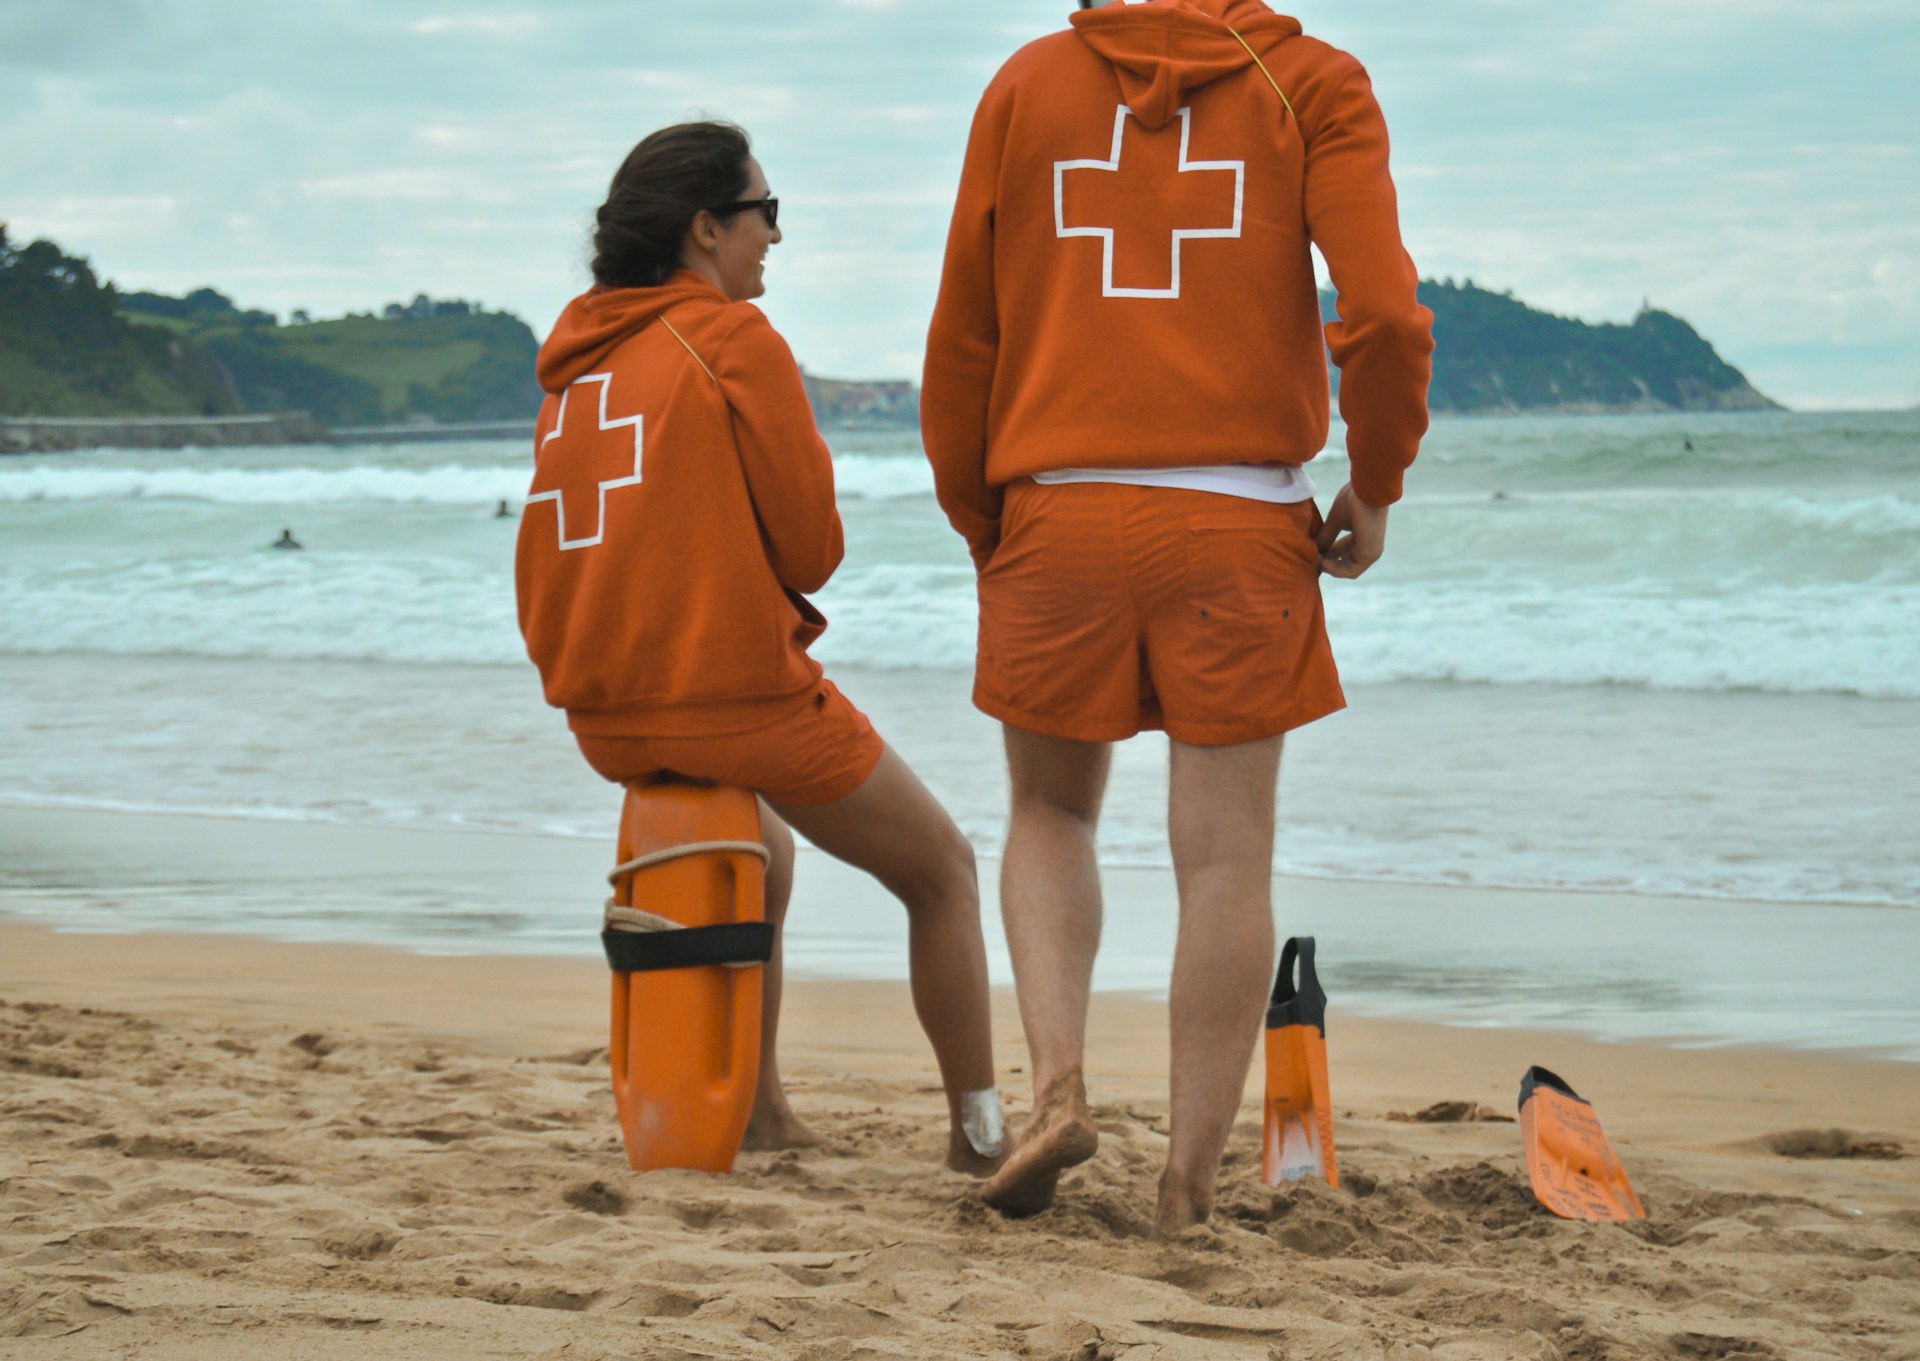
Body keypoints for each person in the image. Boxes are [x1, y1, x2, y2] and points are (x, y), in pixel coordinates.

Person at [922, 0, 1433, 1228]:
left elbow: (965, 329)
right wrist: (1374, 481)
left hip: (1057, 505)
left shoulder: (1027, 85)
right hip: (1238, 517)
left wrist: (980, 512)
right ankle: (1187, 1187)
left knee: (1050, 809)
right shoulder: (1313, 82)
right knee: (1224, 856)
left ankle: (1056, 1091)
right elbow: (1385, 316)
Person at [515, 122, 1005, 1171]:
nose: (776, 235)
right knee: (943, 871)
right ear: (706, 227)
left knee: (767, 852)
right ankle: (980, 1135)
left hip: (604, 713)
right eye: (764, 212)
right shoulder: (735, 340)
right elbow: (815, 550)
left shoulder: (574, 367)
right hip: (732, 703)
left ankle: (761, 1109)